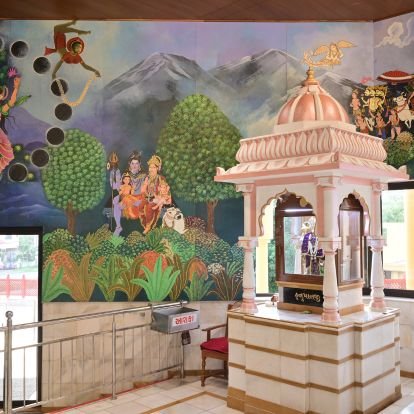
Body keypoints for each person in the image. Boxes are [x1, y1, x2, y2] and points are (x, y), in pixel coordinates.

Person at [108, 150, 146, 235]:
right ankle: (118, 226)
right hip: (127, 199)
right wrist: (113, 172)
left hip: (139, 199)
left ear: (139, 164)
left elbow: (145, 190)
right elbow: (117, 187)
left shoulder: (143, 175)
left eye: (136, 163)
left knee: (131, 200)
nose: (134, 166)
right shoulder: (125, 175)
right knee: (117, 206)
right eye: (132, 163)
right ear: (129, 164)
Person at [139, 155, 170, 234]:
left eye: (153, 167)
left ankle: (148, 226)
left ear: (157, 168)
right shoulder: (147, 177)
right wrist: (145, 185)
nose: (151, 169)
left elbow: (164, 190)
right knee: (140, 205)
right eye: (150, 167)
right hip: (147, 197)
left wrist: (158, 195)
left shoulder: (161, 178)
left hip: (158, 198)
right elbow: (142, 190)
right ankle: (145, 224)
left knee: (150, 206)